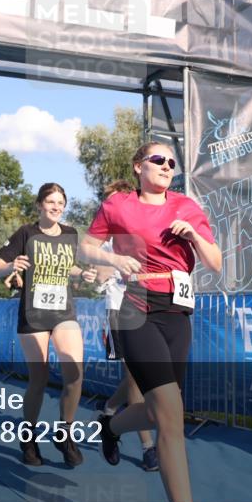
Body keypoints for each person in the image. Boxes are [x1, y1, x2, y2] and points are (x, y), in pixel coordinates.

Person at [79, 143, 222, 502]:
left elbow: (216, 262)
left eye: (172, 162)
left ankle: (110, 425)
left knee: (164, 413)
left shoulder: (186, 207)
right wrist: (113, 258)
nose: (166, 166)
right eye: (158, 160)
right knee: (172, 419)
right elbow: (85, 248)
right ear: (139, 166)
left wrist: (194, 235)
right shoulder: (118, 206)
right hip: (137, 308)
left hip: (177, 314)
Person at [0, 183, 96, 467]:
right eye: (51, 201)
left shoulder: (71, 234)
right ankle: (28, 437)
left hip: (63, 312)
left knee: (75, 372)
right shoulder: (26, 233)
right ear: (39, 204)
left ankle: (65, 432)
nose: (56, 206)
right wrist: (12, 266)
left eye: (61, 202)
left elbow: (69, 267)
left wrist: (83, 274)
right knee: (39, 378)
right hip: (33, 314)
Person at [95, 179, 158, 472]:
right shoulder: (104, 237)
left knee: (141, 377)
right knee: (135, 380)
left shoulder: (142, 230)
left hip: (150, 308)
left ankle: (108, 411)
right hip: (120, 310)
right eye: (108, 201)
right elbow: (97, 275)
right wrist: (109, 267)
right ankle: (148, 448)